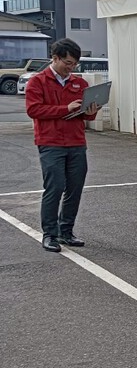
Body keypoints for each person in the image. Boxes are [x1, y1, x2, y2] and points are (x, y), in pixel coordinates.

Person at [25, 38, 101, 253]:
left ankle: (66, 231)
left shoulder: (80, 84)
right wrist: (65, 108)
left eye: (75, 64)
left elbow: (87, 116)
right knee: (55, 187)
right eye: (68, 63)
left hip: (76, 142)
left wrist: (91, 111)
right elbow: (34, 110)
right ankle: (49, 234)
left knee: (75, 189)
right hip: (50, 143)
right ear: (55, 58)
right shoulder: (37, 82)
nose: (71, 68)